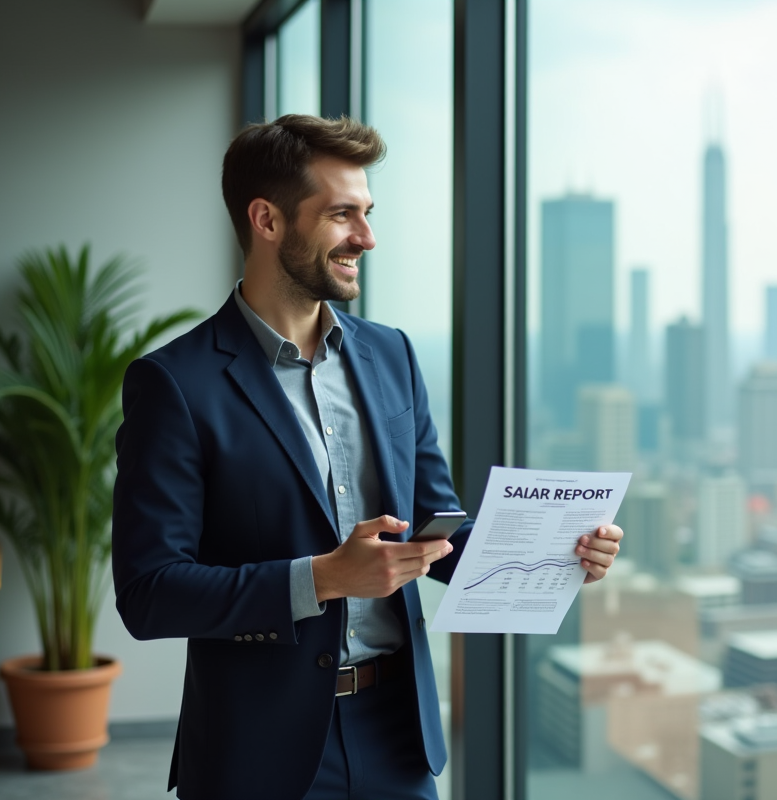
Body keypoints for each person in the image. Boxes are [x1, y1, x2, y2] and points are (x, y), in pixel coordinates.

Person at [111, 114, 624, 800]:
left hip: (398, 736)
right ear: (267, 220)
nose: (367, 237)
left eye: (368, 212)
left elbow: (434, 528)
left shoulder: (391, 355)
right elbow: (150, 595)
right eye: (343, 214)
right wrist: (323, 577)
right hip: (259, 753)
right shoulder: (176, 383)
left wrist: (564, 554)